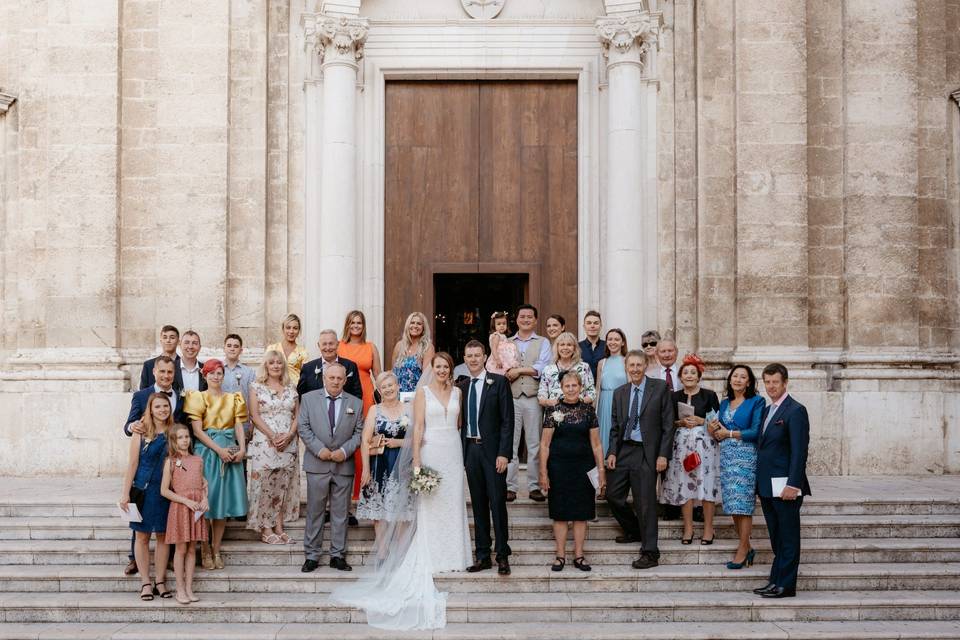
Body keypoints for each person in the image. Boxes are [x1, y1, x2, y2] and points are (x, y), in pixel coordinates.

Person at [330, 352, 471, 630]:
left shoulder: (458, 392)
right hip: (424, 453)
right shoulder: (420, 394)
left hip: (452, 451)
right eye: (437, 366)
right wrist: (417, 458)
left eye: (445, 367)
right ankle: (422, 552)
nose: (441, 370)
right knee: (426, 505)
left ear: (451, 369)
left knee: (451, 502)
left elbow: (458, 424)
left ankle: (454, 553)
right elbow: (416, 428)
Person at [605, 350, 675, 570]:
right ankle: (634, 530)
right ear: (626, 367)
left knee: (645, 503)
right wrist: (612, 452)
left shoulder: (660, 388)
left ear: (646, 366)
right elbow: (615, 428)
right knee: (613, 495)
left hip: (647, 453)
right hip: (624, 450)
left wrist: (663, 454)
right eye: (631, 365)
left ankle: (650, 552)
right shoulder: (620, 393)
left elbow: (668, 425)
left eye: (638, 365)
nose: (634, 369)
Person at [298, 362, 364, 573]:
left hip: (343, 465)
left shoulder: (356, 403)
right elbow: (303, 426)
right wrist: (319, 449)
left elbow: (359, 433)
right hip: (317, 463)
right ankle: (312, 555)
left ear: (345, 380)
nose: (335, 381)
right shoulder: (308, 399)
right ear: (324, 378)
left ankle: (337, 555)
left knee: (341, 512)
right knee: (315, 512)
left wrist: (344, 452)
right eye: (332, 378)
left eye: (339, 378)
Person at [122, 355, 184, 576]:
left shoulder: (180, 397)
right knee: (140, 529)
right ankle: (136, 561)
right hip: (144, 475)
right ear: (155, 372)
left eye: (170, 372)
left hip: (168, 476)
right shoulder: (141, 395)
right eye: (163, 372)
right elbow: (128, 425)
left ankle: (161, 569)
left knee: (163, 531)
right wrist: (134, 427)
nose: (166, 376)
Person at [754, 363, 811, 599]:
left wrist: (793, 484)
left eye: (775, 382)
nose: (771, 387)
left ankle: (786, 585)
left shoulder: (796, 410)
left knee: (788, 537)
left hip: (786, 486)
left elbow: (799, 451)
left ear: (785, 382)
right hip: (768, 486)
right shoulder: (768, 411)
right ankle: (775, 580)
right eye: (767, 382)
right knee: (777, 537)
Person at [539, 371, 606, 572]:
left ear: (580, 387)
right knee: (559, 514)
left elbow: (596, 444)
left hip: (583, 468)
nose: (570, 389)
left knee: (581, 513)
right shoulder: (553, 411)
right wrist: (543, 472)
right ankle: (560, 555)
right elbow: (544, 445)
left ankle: (579, 555)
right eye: (567, 386)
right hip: (558, 468)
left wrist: (601, 470)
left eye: (574, 386)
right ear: (561, 387)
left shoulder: (588, 411)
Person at [185, 359, 249, 570]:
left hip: (230, 453)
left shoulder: (234, 398)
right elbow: (197, 431)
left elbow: (239, 425)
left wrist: (241, 448)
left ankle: (216, 548)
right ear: (205, 375)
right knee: (207, 502)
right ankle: (203, 548)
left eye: (219, 373)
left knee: (222, 505)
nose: (215, 376)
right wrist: (218, 450)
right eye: (211, 373)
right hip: (208, 454)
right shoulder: (197, 397)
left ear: (223, 375)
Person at [458, 340, 514, 575]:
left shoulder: (498, 382)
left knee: (497, 503)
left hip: (492, 453)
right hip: (470, 451)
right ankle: (483, 555)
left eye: (477, 355)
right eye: (469, 355)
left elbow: (507, 421)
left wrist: (504, 454)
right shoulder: (460, 386)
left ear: (484, 357)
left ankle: (502, 555)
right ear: (464, 357)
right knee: (479, 504)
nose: (473, 359)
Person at [660, 354, 721, 544]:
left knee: (706, 485)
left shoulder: (709, 395)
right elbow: (667, 422)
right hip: (682, 447)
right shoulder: (673, 396)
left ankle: (709, 529)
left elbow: (718, 422)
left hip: (706, 448)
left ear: (699, 376)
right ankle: (688, 529)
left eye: (692, 372)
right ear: (680, 377)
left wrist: (702, 421)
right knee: (684, 485)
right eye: (685, 372)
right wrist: (680, 422)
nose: (689, 375)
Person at [709, 364, 764, 570]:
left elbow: (755, 431)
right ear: (730, 380)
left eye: (743, 377)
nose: (738, 380)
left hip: (746, 457)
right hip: (727, 456)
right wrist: (714, 429)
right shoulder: (724, 403)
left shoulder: (756, 401)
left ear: (749, 382)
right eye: (735, 376)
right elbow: (719, 431)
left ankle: (742, 549)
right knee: (732, 504)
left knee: (744, 504)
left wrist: (729, 434)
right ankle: (746, 546)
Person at [119, 392, 173, 601]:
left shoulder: (173, 432)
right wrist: (125, 493)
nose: (162, 410)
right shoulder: (140, 432)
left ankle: (160, 580)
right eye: (157, 407)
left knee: (162, 536)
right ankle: (145, 582)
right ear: (150, 409)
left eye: (165, 406)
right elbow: (132, 463)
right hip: (142, 488)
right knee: (141, 537)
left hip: (165, 490)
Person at [247, 350, 300, 545]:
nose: (276, 365)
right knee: (265, 484)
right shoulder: (256, 387)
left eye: (279, 362)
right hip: (265, 442)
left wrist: (289, 435)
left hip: (288, 441)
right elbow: (254, 415)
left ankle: (278, 526)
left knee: (282, 484)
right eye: (272, 363)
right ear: (266, 366)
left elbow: (297, 415)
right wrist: (272, 435)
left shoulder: (291, 387)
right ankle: (265, 528)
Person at [505, 303, 552, 502]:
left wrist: (520, 371)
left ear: (535, 320)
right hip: (512, 398)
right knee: (511, 444)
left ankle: (534, 486)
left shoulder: (543, 342)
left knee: (534, 443)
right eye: (522, 316)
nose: (525, 319)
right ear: (516, 319)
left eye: (529, 317)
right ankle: (510, 486)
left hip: (533, 398)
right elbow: (501, 367)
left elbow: (544, 366)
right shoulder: (506, 342)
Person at [160, 423, 209, 605]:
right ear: (173, 440)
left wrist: (205, 499)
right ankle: (179, 589)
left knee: (191, 549)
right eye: (180, 437)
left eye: (186, 436)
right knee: (181, 549)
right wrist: (186, 501)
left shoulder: (198, 460)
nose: (184, 440)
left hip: (196, 509)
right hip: (181, 508)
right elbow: (164, 490)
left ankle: (189, 588)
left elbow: (203, 484)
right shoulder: (170, 462)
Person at [339, 310, 383, 502]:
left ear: (363, 326)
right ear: (347, 325)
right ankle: (344, 491)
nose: (356, 326)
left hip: (366, 397)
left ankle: (361, 490)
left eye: (359, 323)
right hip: (344, 396)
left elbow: (379, 376)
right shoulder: (339, 346)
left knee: (363, 441)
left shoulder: (371, 347)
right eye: (353, 323)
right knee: (344, 439)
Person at [356, 371, 408, 532]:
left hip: (402, 463)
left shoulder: (410, 409)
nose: (388, 389)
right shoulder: (374, 410)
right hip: (379, 464)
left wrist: (398, 442)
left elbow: (420, 439)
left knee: (402, 513)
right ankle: (382, 550)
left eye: (390, 385)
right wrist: (365, 469)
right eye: (383, 387)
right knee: (379, 513)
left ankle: (399, 553)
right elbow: (365, 441)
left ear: (398, 386)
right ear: (379, 391)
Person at [298, 329, 363, 400]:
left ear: (337, 344)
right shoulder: (308, 368)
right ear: (319, 345)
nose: (328, 348)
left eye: (331, 344)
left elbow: (357, 395)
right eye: (324, 344)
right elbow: (301, 396)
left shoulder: (350, 366)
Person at [537, 332, 596, 407]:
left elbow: (592, 392)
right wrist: (549, 402)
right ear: (557, 348)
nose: (565, 348)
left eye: (569, 345)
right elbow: (541, 395)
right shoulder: (548, 369)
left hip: (579, 412)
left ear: (574, 348)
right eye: (562, 345)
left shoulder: (584, 367)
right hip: (555, 413)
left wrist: (580, 401)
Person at [596, 329, 628, 456]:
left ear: (623, 343)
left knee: (618, 435)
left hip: (620, 402)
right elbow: (598, 388)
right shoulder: (602, 363)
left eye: (616, 339)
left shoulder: (627, 361)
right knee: (602, 437)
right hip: (604, 403)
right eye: (610, 339)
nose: (612, 342)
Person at [391, 312, 435, 397]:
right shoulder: (399, 346)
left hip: (416, 395)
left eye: (419, 324)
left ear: (423, 328)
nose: (415, 326)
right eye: (412, 322)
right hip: (397, 396)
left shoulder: (427, 347)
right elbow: (393, 373)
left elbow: (426, 378)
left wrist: (416, 398)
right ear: (408, 325)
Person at [221, 334, 255, 443]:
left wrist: (252, 424)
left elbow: (252, 399)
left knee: (240, 458)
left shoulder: (249, 372)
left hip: (242, 424)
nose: (232, 348)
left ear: (241, 350)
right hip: (220, 424)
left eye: (236, 346)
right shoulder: (216, 370)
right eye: (229, 345)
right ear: (224, 348)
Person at [266, 314, 309, 388]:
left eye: (295, 328)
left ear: (299, 331)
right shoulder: (272, 348)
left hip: (296, 391)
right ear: (283, 329)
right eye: (288, 328)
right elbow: (265, 370)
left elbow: (306, 376)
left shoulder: (303, 352)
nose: (291, 331)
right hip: (273, 389)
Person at [139, 325, 181, 390]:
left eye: (172, 338)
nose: (168, 340)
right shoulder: (148, 365)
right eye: (165, 337)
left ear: (178, 341)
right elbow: (143, 392)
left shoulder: (183, 365)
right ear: (161, 341)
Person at [485, 311, 520, 375]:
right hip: (499, 358)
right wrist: (497, 359)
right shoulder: (496, 335)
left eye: (504, 324)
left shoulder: (502, 336)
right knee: (498, 373)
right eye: (499, 324)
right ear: (494, 325)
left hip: (503, 358)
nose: (502, 326)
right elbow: (493, 348)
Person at [578, 310, 604, 380]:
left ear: (601, 326)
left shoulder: (607, 346)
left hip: (603, 388)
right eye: (589, 323)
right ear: (584, 326)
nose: (592, 326)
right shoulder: (577, 347)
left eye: (596, 323)